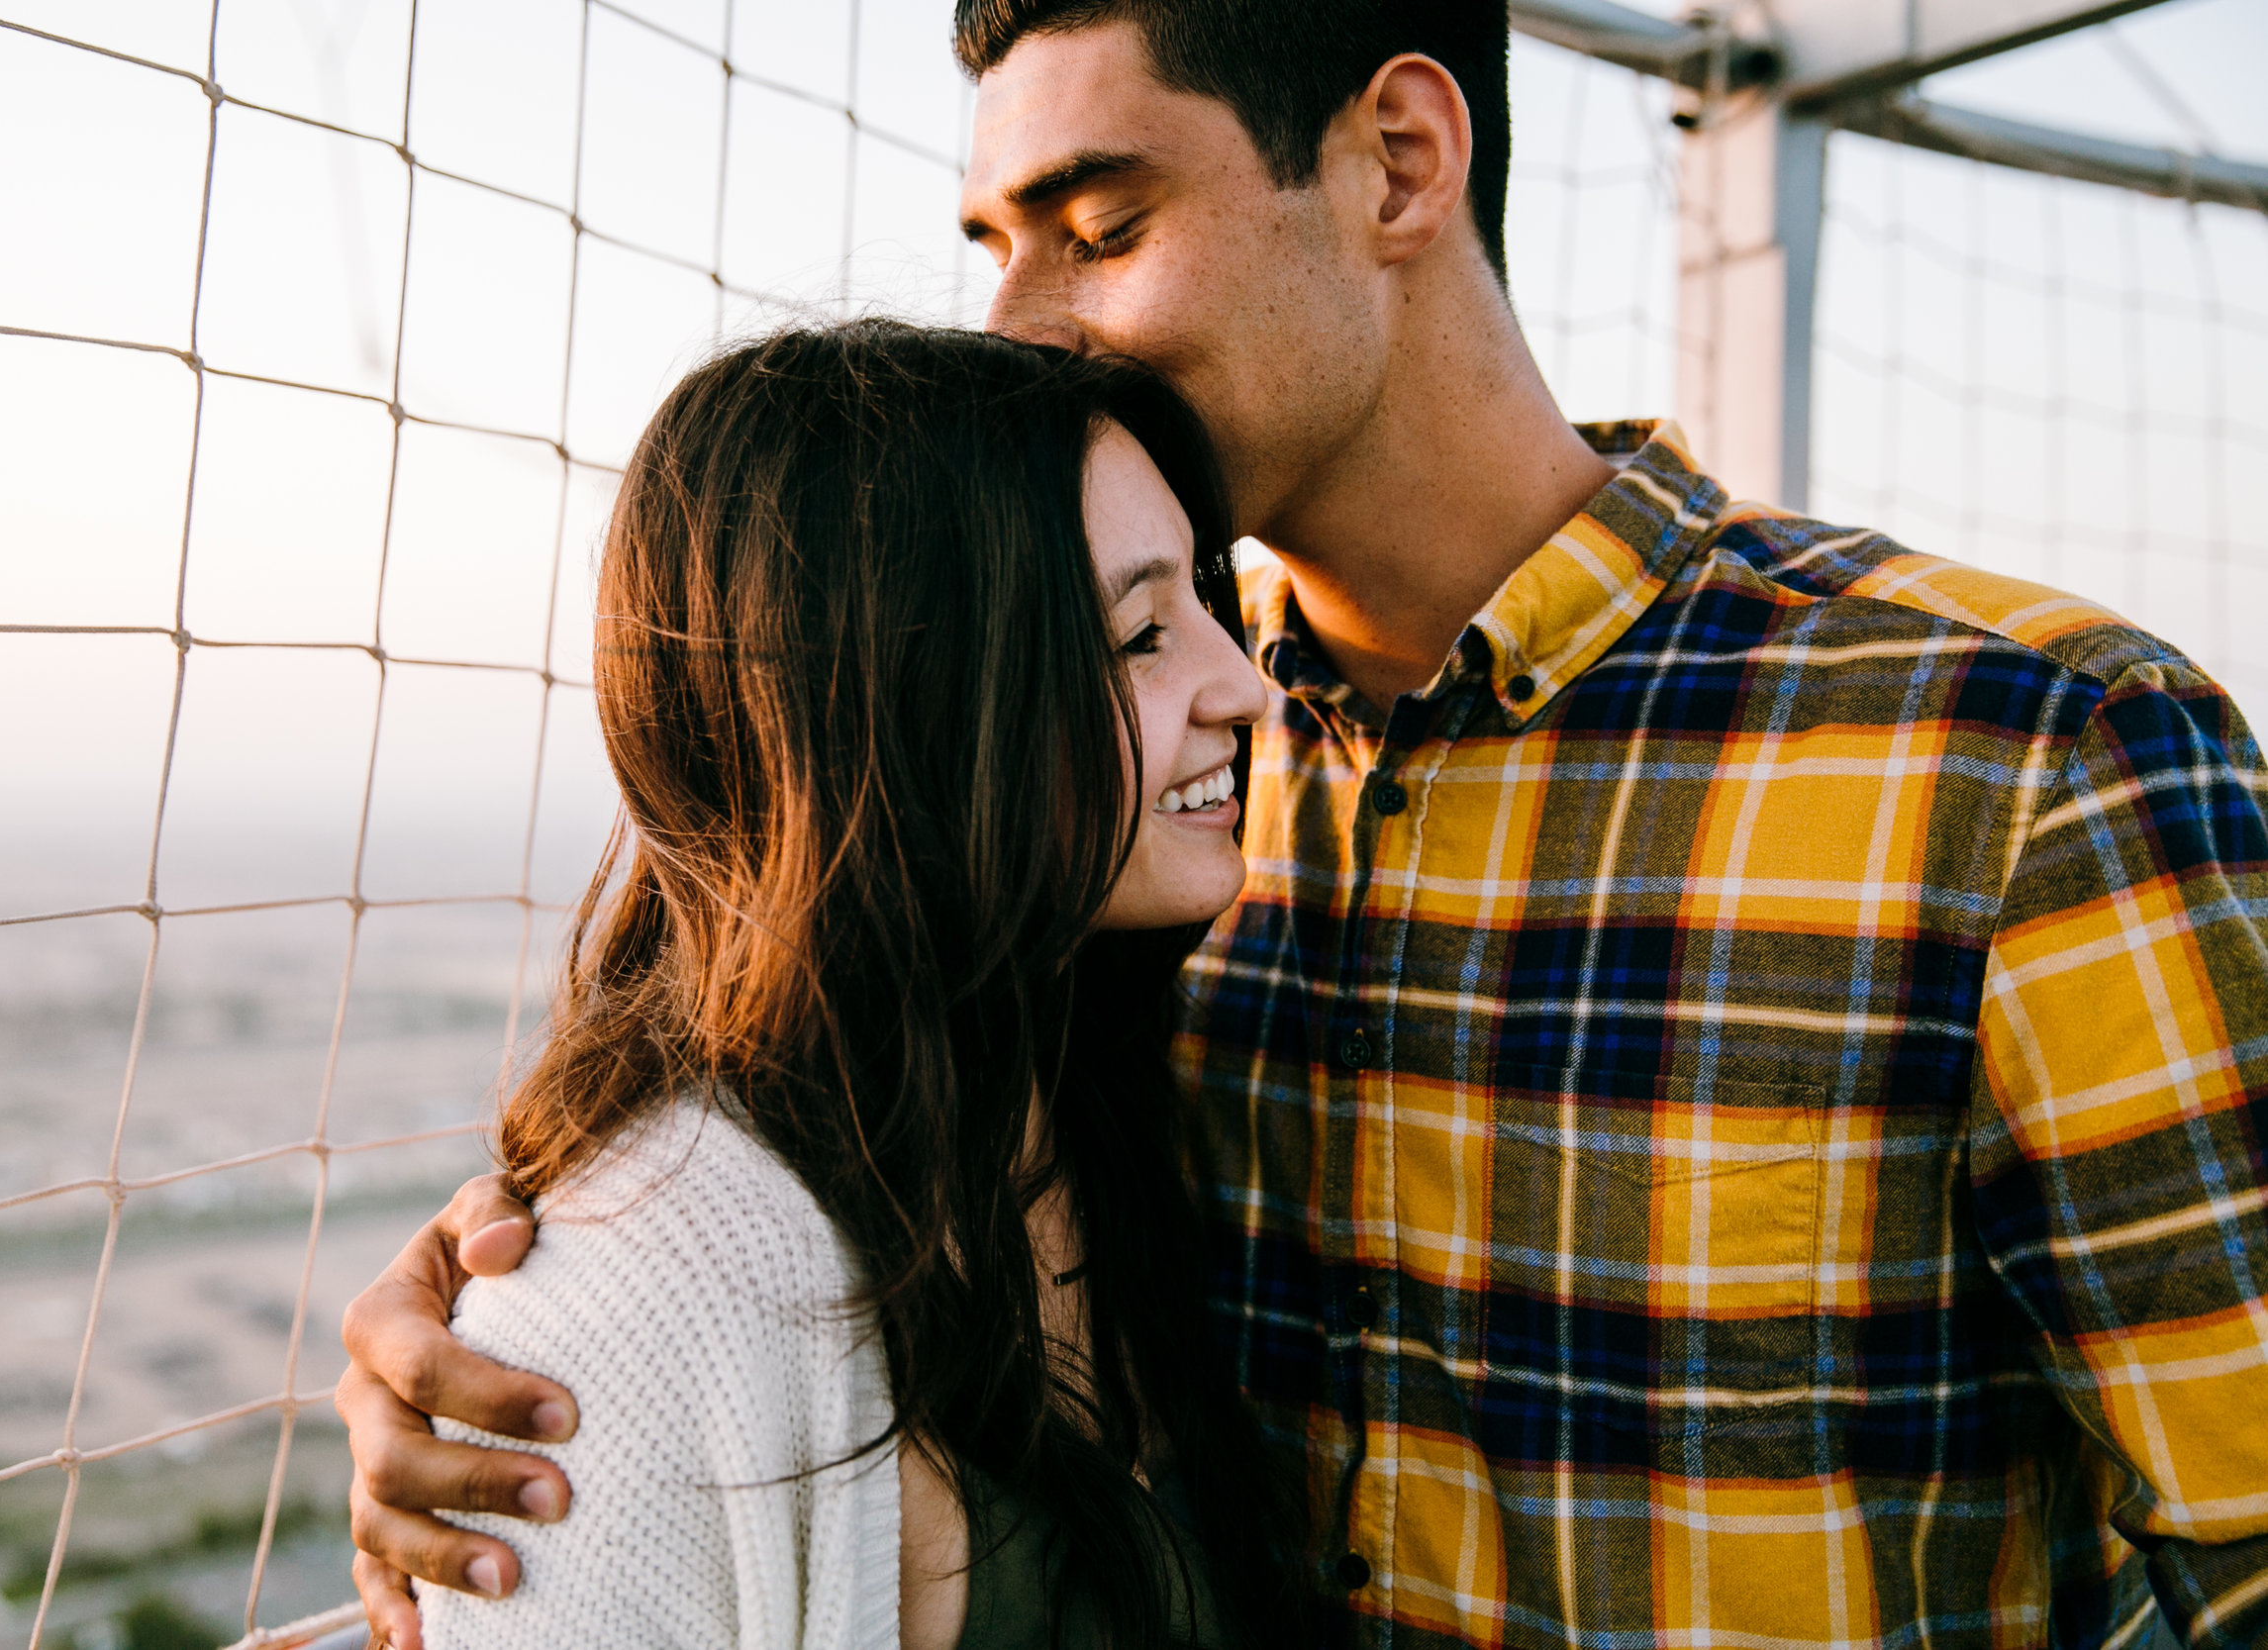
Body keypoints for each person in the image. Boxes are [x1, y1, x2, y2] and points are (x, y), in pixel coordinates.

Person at [340, 2, 2268, 1646]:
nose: (1015, 328)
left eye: (1094, 224)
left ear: (1400, 162)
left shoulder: (2024, 755)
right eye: (989, 243)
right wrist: (538, 1317)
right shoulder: (1107, 796)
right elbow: (829, 1129)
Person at [393, 319, 1300, 1649]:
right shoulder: (623, 1299)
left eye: (1209, 609)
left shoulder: (1110, 1114)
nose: (1245, 686)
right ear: (904, 706)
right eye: (1145, 634)